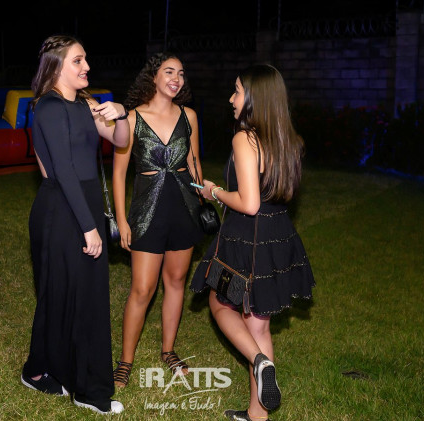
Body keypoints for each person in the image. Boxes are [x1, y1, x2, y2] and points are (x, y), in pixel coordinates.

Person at [190, 64, 315, 421]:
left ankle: (259, 361)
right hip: (279, 235)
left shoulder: (245, 139)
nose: (232, 99)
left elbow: (249, 203)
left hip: (248, 239)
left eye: (237, 91)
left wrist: (215, 192)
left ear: (255, 97)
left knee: (219, 303)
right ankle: (257, 415)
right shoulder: (289, 139)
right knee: (258, 325)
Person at [20, 34, 129, 415]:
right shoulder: (48, 107)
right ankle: (71, 383)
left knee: (82, 297)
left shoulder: (86, 105)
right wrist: (89, 226)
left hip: (84, 205)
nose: (87, 67)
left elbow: (120, 141)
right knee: (63, 294)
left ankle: (52, 373)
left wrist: (120, 115)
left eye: (85, 60)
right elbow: (63, 170)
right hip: (61, 209)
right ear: (56, 66)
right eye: (78, 61)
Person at [111, 52, 204, 388]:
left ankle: (168, 351)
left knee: (176, 281)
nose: (176, 78)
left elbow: (194, 164)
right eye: (169, 72)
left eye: (181, 73)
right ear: (153, 76)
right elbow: (119, 173)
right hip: (147, 212)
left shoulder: (189, 116)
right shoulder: (131, 118)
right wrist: (122, 220)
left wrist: (204, 198)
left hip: (183, 208)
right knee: (142, 289)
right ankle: (125, 361)